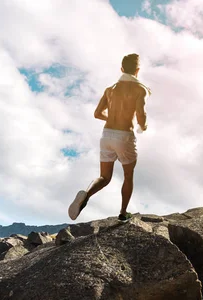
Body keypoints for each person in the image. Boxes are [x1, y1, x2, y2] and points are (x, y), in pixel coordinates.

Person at [68, 53, 150, 222]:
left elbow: (97, 113)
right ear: (137, 70)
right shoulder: (140, 89)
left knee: (104, 177)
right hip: (124, 136)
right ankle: (123, 213)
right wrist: (143, 126)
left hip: (107, 135)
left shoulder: (110, 89)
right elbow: (141, 116)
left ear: (121, 69)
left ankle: (86, 194)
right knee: (128, 175)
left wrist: (113, 117)